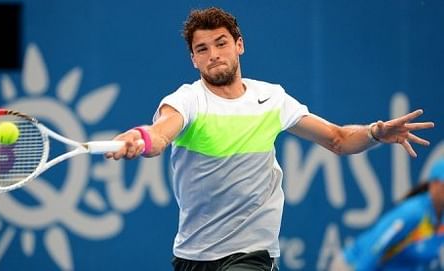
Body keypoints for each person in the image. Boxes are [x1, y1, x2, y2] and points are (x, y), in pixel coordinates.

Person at [105, 7, 435, 271]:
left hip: (251, 254)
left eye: (221, 43)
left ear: (239, 45)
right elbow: (161, 133)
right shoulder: (187, 100)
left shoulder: (271, 98)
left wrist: (375, 132)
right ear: (193, 59)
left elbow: (337, 139)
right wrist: (140, 139)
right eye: (201, 49)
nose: (213, 54)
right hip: (192, 255)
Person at [330, 158, 444, 271]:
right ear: (433, 185)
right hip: (353, 265)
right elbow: (375, 246)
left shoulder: (440, 221)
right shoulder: (413, 212)